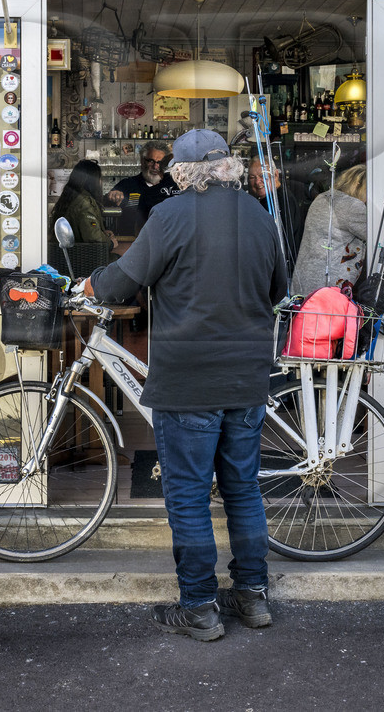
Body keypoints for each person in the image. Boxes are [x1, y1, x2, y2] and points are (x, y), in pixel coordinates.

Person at [85, 129, 288, 641]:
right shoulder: (261, 218)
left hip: (188, 379)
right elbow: (279, 290)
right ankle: (253, 596)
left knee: (190, 493)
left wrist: (90, 283)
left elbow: (118, 284)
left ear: (183, 171)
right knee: (243, 489)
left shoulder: (170, 215)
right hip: (246, 377)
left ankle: (199, 605)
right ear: (229, 167)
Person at [290, 163, 369, 295]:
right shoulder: (353, 206)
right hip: (328, 288)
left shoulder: (322, 198)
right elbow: (379, 236)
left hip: (305, 281)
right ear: (359, 187)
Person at [105, 140, 176, 235]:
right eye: (151, 161)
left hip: (168, 243)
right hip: (132, 242)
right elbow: (102, 203)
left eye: (160, 162)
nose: (156, 166)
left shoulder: (175, 184)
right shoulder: (127, 184)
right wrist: (112, 196)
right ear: (142, 161)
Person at [50, 160, 116, 250]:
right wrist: (111, 243)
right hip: (82, 259)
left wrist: (102, 232)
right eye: (100, 178)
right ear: (93, 181)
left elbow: (85, 228)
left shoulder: (71, 197)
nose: (101, 182)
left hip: (70, 256)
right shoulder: (85, 203)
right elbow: (94, 238)